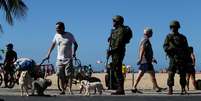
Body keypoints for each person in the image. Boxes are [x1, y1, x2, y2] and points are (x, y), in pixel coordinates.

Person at [45, 21, 78, 95]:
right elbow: (52, 45)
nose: (56, 30)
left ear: (63, 28)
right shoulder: (56, 35)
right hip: (59, 59)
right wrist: (48, 54)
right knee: (60, 75)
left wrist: (74, 52)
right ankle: (63, 90)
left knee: (69, 75)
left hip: (68, 59)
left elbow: (76, 45)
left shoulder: (70, 35)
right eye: (56, 28)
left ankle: (69, 89)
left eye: (58, 28)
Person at [131, 28, 164, 93]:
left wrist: (152, 58)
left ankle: (156, 87)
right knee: (141, 74)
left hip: (147, 61)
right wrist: (140, 59)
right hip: (145, 61)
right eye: (151, 32)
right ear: (148, 33)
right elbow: (142, 49)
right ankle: (134, 87)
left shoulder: (145, 39)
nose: (152, 34)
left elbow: (147, 51)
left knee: (152, 74)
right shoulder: (145, 40)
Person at [107, 15, 132, 95]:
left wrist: (111, 51)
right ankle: (119, 88)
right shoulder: (115, 30)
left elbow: (119, 43)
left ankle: (120, 89)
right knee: (116, 69)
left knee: (118, 70)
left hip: (118, 52)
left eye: (114, 21)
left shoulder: (120, 30)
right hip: (115, 52)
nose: (113, 22)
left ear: (118, 22)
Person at [163, 20, 189, 95]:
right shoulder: (168, 37)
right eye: (172, 27)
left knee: (183, 74)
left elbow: (186, 48)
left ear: (178, 28)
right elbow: (165, 46)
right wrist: (170, 49)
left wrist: (184, 55)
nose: (173, 28)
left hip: (181, 58)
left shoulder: (182, 37)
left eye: (175, 27)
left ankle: (183, 88)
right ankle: (170, 89)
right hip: (173, 58)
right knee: (171, 73)